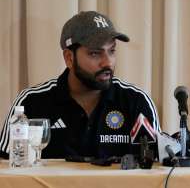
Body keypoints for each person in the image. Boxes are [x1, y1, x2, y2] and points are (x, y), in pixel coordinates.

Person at [0, 11, 161, 159]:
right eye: (95, 53)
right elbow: (7, 172)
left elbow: (154, 172)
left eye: (112, 51)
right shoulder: (31, 102)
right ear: (69, 58)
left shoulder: (136, 101)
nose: (108, 62)